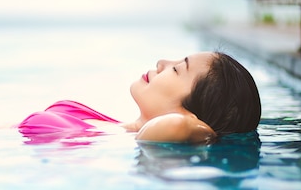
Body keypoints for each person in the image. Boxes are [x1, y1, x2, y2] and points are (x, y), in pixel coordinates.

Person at [18, 51, 261, 144]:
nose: (162, 62)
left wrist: (199, 127)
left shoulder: (159, 131)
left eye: (177, 70)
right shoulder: (109, 126)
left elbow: (179, 125)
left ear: (187, 113)